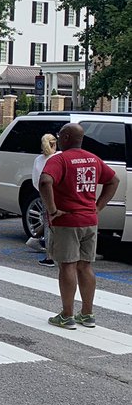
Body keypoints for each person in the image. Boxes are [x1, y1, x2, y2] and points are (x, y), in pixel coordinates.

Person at [38, 123, 119, 330]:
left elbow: (45, 182)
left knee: (67, 265)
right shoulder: (93, 159)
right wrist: (98, 207)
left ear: (65, 138)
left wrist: (52, 210)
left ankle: (67, 315)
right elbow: (113, 180)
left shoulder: (61, 159)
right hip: (89, 221)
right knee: (85, 266)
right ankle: (87, 313)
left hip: (67, 221)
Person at [31, 132, 58, 266]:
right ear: (54, 144)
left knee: (49, 225)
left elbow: (36, 181)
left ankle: (49, 255)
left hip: (45, 196)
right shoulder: (60, 157)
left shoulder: (38, 160)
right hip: (62, 195)